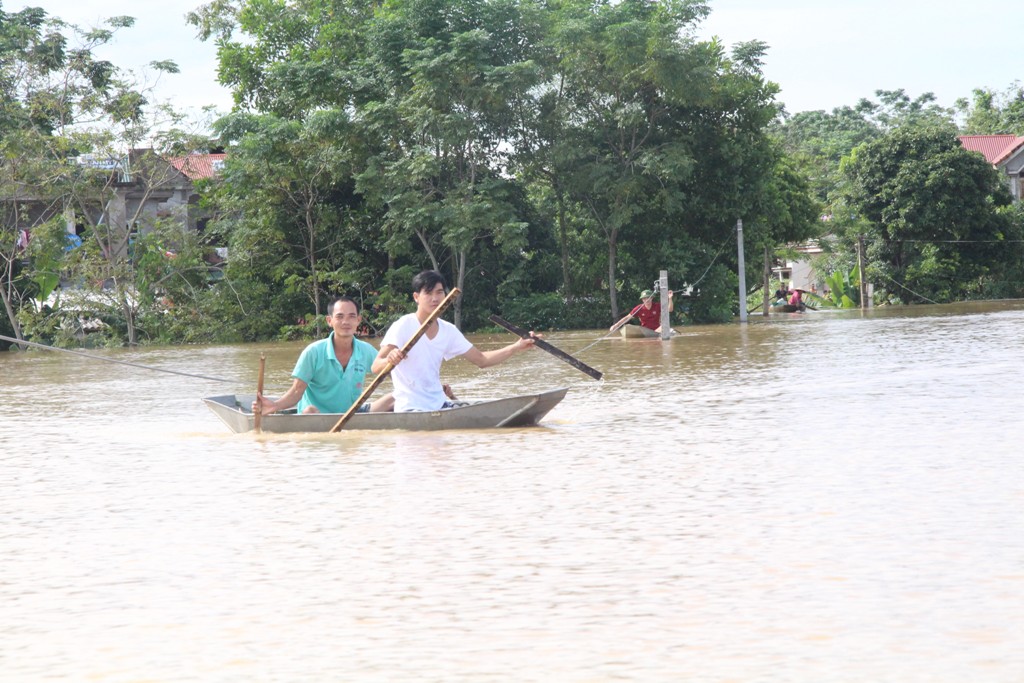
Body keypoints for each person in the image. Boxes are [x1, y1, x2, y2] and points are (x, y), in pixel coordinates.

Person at [373, 270, 538, 412]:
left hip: (439, 404)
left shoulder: (448, 330)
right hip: (410, 407)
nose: (435, 298)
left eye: (439, 292)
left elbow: (481, 360)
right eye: (428, 293)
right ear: (416, 297)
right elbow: (376, 366)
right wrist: (390, 358)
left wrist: (516, 347)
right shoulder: (403, 325)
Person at [253, 296, 394, 415]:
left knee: (397, 398)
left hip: (351, 414)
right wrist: (274, 406)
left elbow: (392, 373)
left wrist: (393, 360)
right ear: (329, 321)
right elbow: (296, 391)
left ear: (358, 320)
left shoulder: (366, 350)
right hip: (317, 415)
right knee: (309, 411)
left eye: (351, 317)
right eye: (339, 317)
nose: (346, 322)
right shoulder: (313, 352)